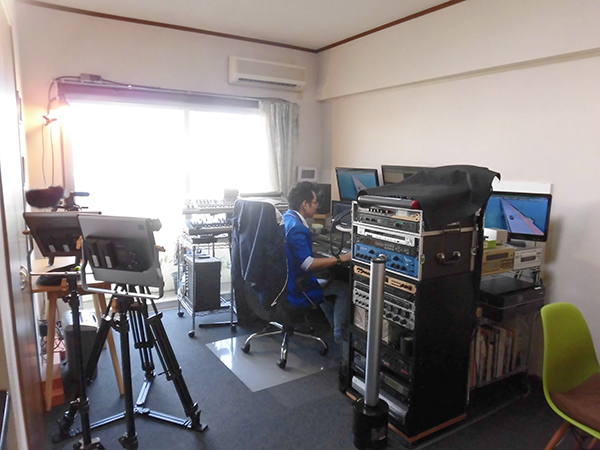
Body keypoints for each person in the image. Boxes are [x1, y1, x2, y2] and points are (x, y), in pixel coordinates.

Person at [283, 181, 351, 344]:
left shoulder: (287, 218)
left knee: (329, 280)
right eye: (315, 203)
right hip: (298, 284)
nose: (317, 206)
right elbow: (308, 264)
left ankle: (334, 327)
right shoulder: (298, 228)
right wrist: (341, 258)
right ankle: (339, 337)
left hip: (286, 279)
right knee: (343, 289)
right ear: (305, 204)